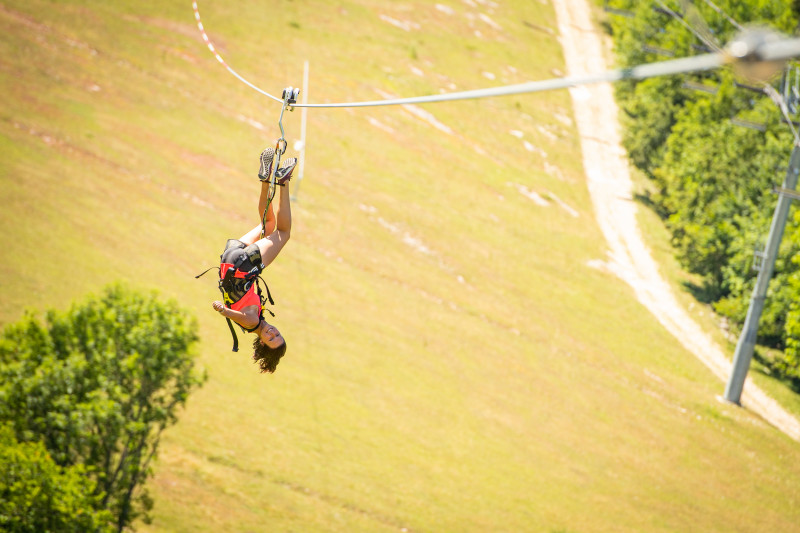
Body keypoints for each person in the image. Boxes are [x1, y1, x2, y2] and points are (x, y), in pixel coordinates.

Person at [210, 147, 296, 373]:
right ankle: (265, 179)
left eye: (270, 339)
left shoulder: (251, 323)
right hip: (229, 259)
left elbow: (235, 315)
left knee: (284, 233)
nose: (272, 333)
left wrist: (222, 310)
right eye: (277, 334)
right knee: (267, 224)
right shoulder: (255, 320)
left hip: (242, 265)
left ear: (262, 343)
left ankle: (284, 181)